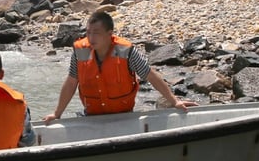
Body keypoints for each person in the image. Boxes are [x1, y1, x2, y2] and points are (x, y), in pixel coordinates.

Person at [43, 11, 192, 122]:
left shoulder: (126, 52)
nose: (91, 38)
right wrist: (57, 113)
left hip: (124, 116)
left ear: (109, 33)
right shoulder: (80, 51)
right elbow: (71, 82)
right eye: (88, 32)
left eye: (96, 33)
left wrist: (174, 101)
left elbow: (150, 75)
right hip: (92, 117)